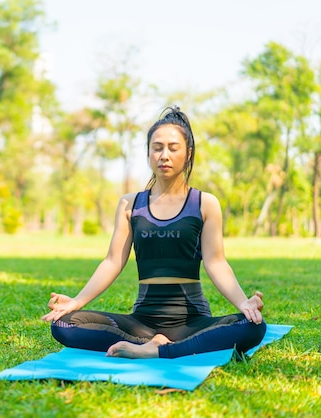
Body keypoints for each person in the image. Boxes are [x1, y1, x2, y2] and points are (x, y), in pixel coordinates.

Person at [41, 106, 266, 359]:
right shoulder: (130, 205)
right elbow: (113, 261)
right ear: (148, 153)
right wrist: (76, 302)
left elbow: (216, 262)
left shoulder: (205, 203)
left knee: (253, 327)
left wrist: (242, 304)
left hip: (191, 323)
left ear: (188, 153)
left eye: (173, 147)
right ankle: (153, 344)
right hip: (141, 325)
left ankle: (162, 350)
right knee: (63, 325)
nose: (164, 155)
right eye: (157, 147)